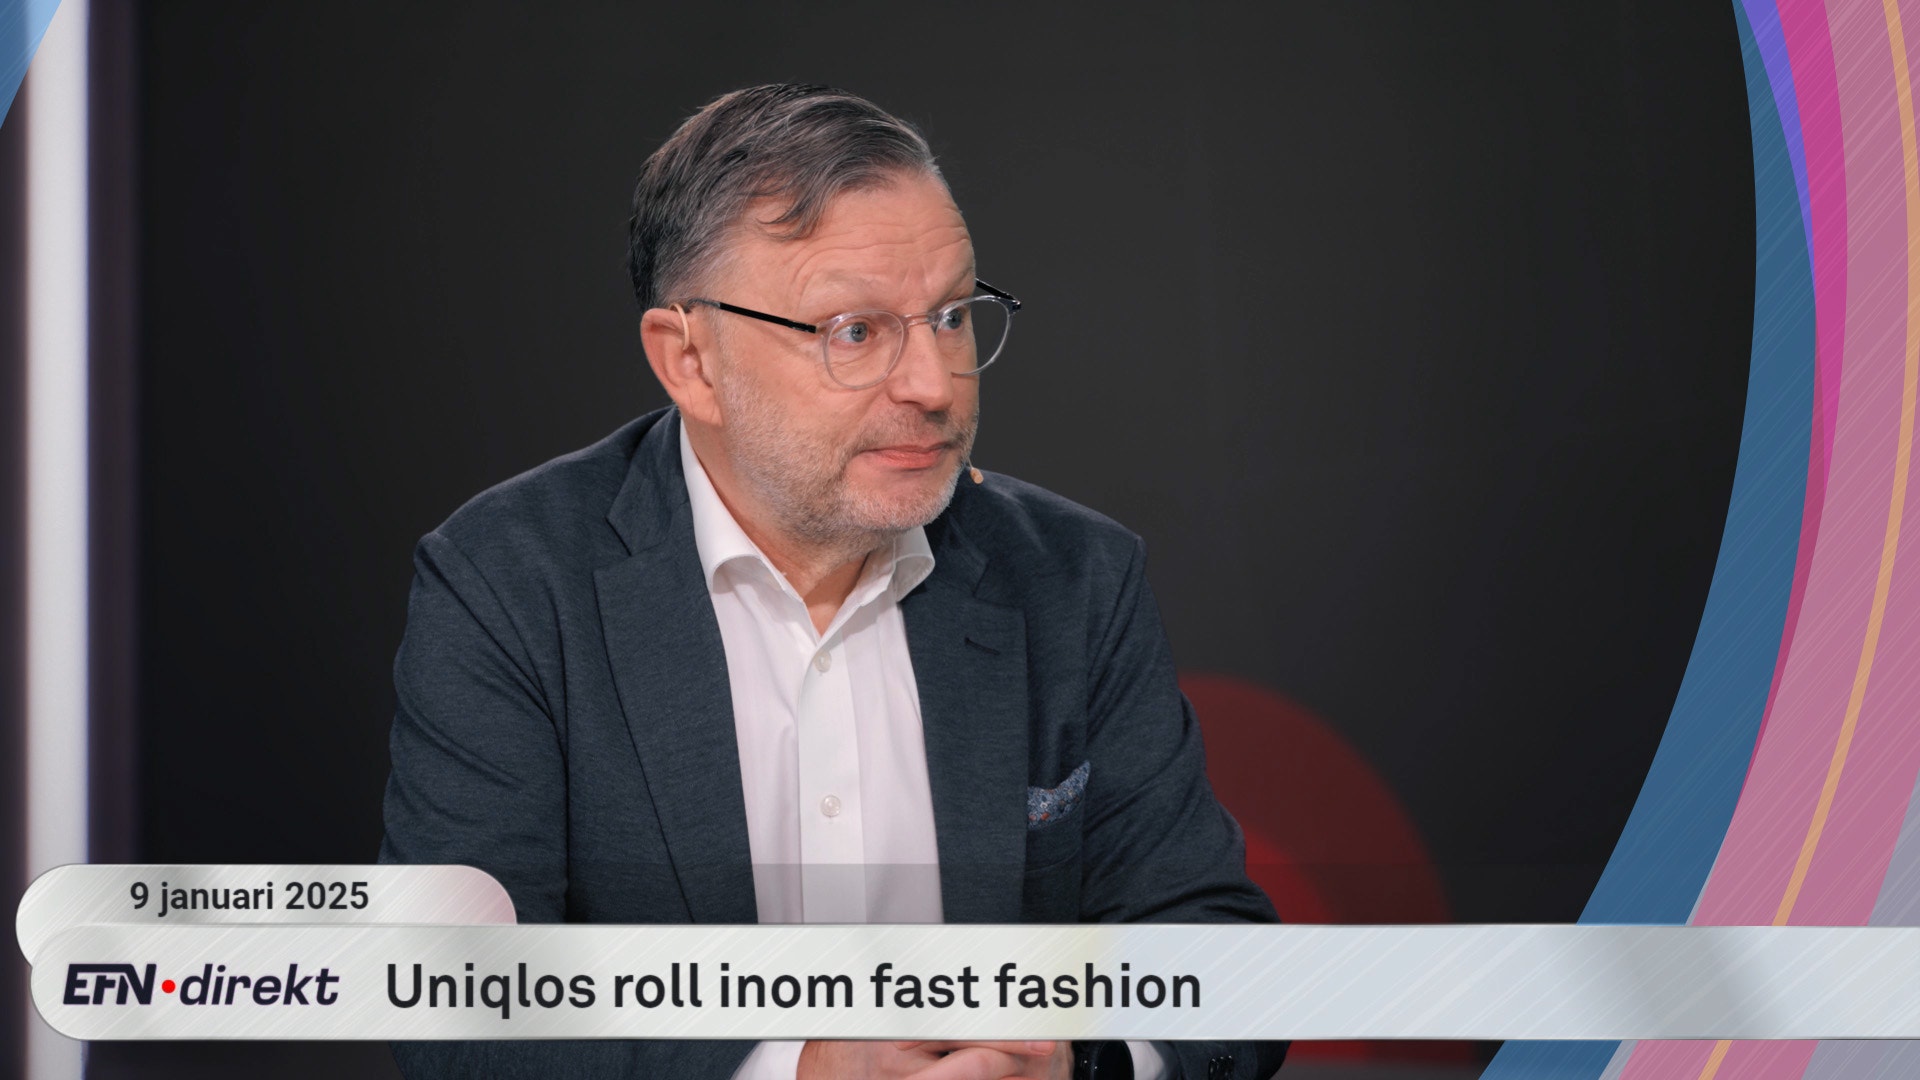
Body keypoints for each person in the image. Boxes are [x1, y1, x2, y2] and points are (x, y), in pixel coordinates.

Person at [378, 83, 1286, 1080]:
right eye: (855, 331)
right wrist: (801, 1068)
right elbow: (453, 1006)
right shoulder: (509, 585)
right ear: (690, 361)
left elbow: (1217, 953)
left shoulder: (1073, 578)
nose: (933, 384)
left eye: (950, 317)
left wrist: (1079, 1061)